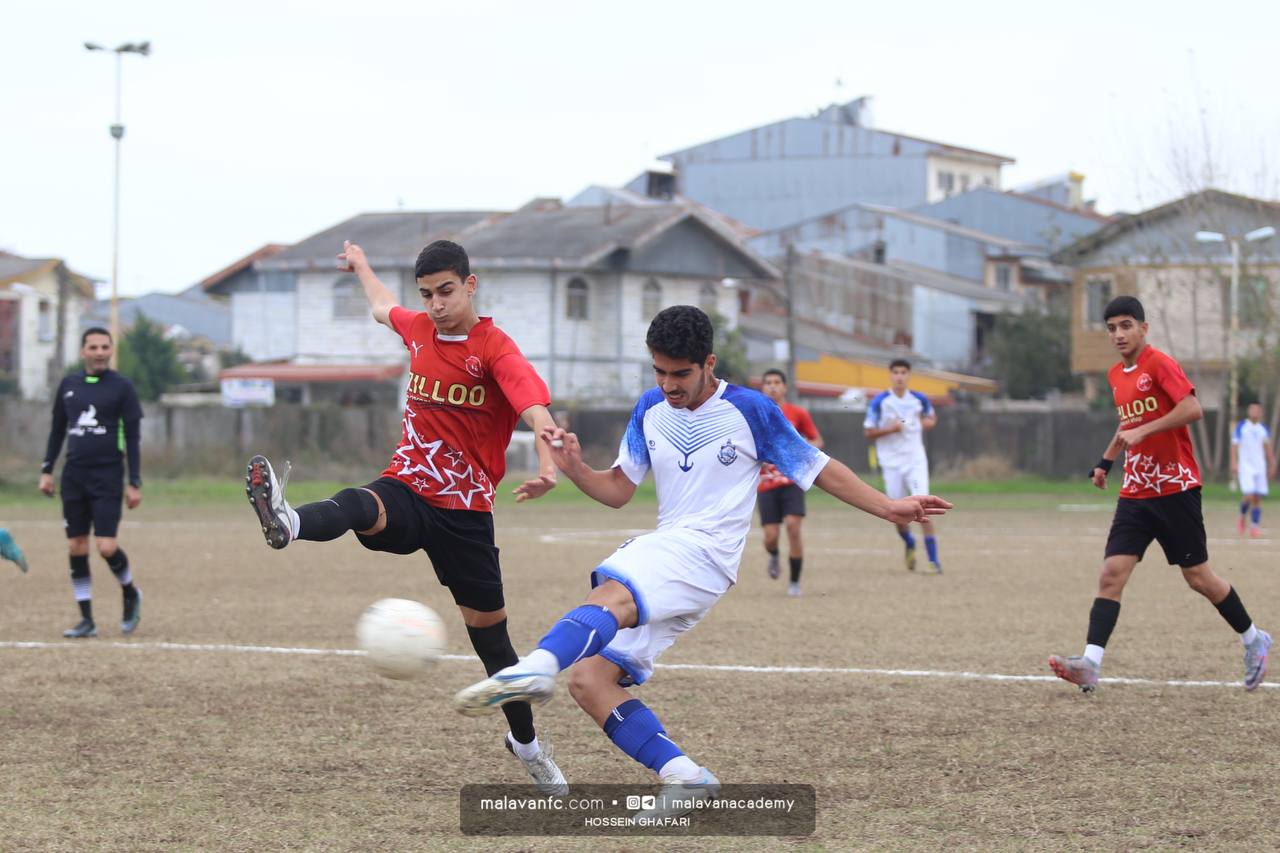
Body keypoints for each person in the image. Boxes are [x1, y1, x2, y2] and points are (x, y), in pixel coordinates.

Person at [454, 306, 951, 818]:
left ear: (709, 363)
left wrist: (888, 506)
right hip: (676, 553)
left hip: (707, 553)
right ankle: (685, 776)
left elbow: (819, 468)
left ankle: (535, 668)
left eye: (681, 373)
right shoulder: (650, 407)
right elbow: (618, 491)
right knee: (589, 680)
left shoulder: (752, 410)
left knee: (611, 595)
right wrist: (575, 467)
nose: (668, 384)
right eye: (660, 371)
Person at [245, 239, 567, 794]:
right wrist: (363, 266)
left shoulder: (495, 349)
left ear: (470, 285)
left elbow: (534, 410)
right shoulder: (417, 328)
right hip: (409, 490)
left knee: (494, 644)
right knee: (357, 502)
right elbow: (379, 305)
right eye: (427, 295)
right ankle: (289, 521)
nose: (436, 304)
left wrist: (547, 466)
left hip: (465, 514)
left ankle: (527, 746)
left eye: (446, 291)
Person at [1049, 296, 1271, 692]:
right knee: (1110, 574)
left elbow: (1192, 408)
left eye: (1126, 325)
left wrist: (1145, 431)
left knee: (1199, 578)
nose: (1119, 334)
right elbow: (1127, 425)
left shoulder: (1160, 364)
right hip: (1135, 492)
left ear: (1143, 328)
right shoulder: (1116, 375)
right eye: (1112, 328)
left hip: (1175, 489)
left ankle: (1254, 639)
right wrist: (1105, 462)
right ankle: (1090, 663)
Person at [39, 327, 144, 638]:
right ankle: (86, 619)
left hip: (109, 476)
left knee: (106, 546)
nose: (99, 352)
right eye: (93, 347)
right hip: (74, 475)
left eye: (104, 347)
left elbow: (134, 437)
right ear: (83, 351)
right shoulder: (69, 385)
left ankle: (129, 591)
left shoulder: (123, 387)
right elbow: (57, 430)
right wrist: (47, 470)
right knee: (76, 545)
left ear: (111, 351)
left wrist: (134, 480)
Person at [863, 359, 941, 573]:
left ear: (909, 375)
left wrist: (926, 423)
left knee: (923, 505)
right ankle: (909, 542)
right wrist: (890, 430)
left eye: (903, 372)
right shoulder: (880, 402)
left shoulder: (919, 399)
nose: (899, 376)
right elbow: (868, 432)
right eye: (896, 372)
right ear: (890, 375)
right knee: (897, 513)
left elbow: (931, 418)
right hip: (891, 463)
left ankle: (934, 561)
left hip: (915, 460)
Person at [756, 368, 823, 596]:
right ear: (762, 387)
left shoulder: (798, 413)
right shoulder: (756, 414)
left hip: (792, 480)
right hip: (766, 483)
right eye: (768, 382)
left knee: (794, 527)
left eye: (777, 382)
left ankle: (794, 583)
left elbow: (816, 439)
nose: (773, 386)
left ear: (784, 387)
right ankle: (774, 554)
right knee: (770, 537)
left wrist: (800, 450)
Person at [1231, 402, 1275, 538]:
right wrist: (1234, 463)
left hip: (1260, 467)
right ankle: (1242, 516)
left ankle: (1254, 527)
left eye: (1257, 410)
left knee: (1257, 497)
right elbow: (1234, 446)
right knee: (1249, 495)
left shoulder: (1263, 429)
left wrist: (1272, 464)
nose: (1255, 412)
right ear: (1249, 411)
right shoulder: (1241, 426)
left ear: (1260, 412)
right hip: (1245, 466)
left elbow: (1267, 448)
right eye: (1252, 409)